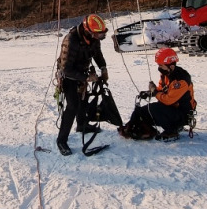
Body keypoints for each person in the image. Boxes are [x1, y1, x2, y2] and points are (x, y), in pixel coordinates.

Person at [55, 14, 109, 156]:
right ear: (87, 31)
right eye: (97, 35)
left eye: (100, 35)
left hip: (82, 72)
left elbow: (97, 54)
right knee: (73, 105)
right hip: (68, 75)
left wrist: (103, 68)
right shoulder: (71, 40)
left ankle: (81, 125)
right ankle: (61, 140)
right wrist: (86, 77)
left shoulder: (94, 39)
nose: (99, 37)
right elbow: (66, 68)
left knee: (84, 101)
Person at [119, 48, 196, 141]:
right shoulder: (166, 74)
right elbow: (161, 89)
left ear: (171, 66)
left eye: (161, 65)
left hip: (182, 113)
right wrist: (149, 93)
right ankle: (134, 128)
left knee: (155, 109)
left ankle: (172, 130)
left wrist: (155, 92)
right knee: (141, 111)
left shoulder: (181, 80)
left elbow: (168, 100)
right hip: (171, 109)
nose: (159, 68)